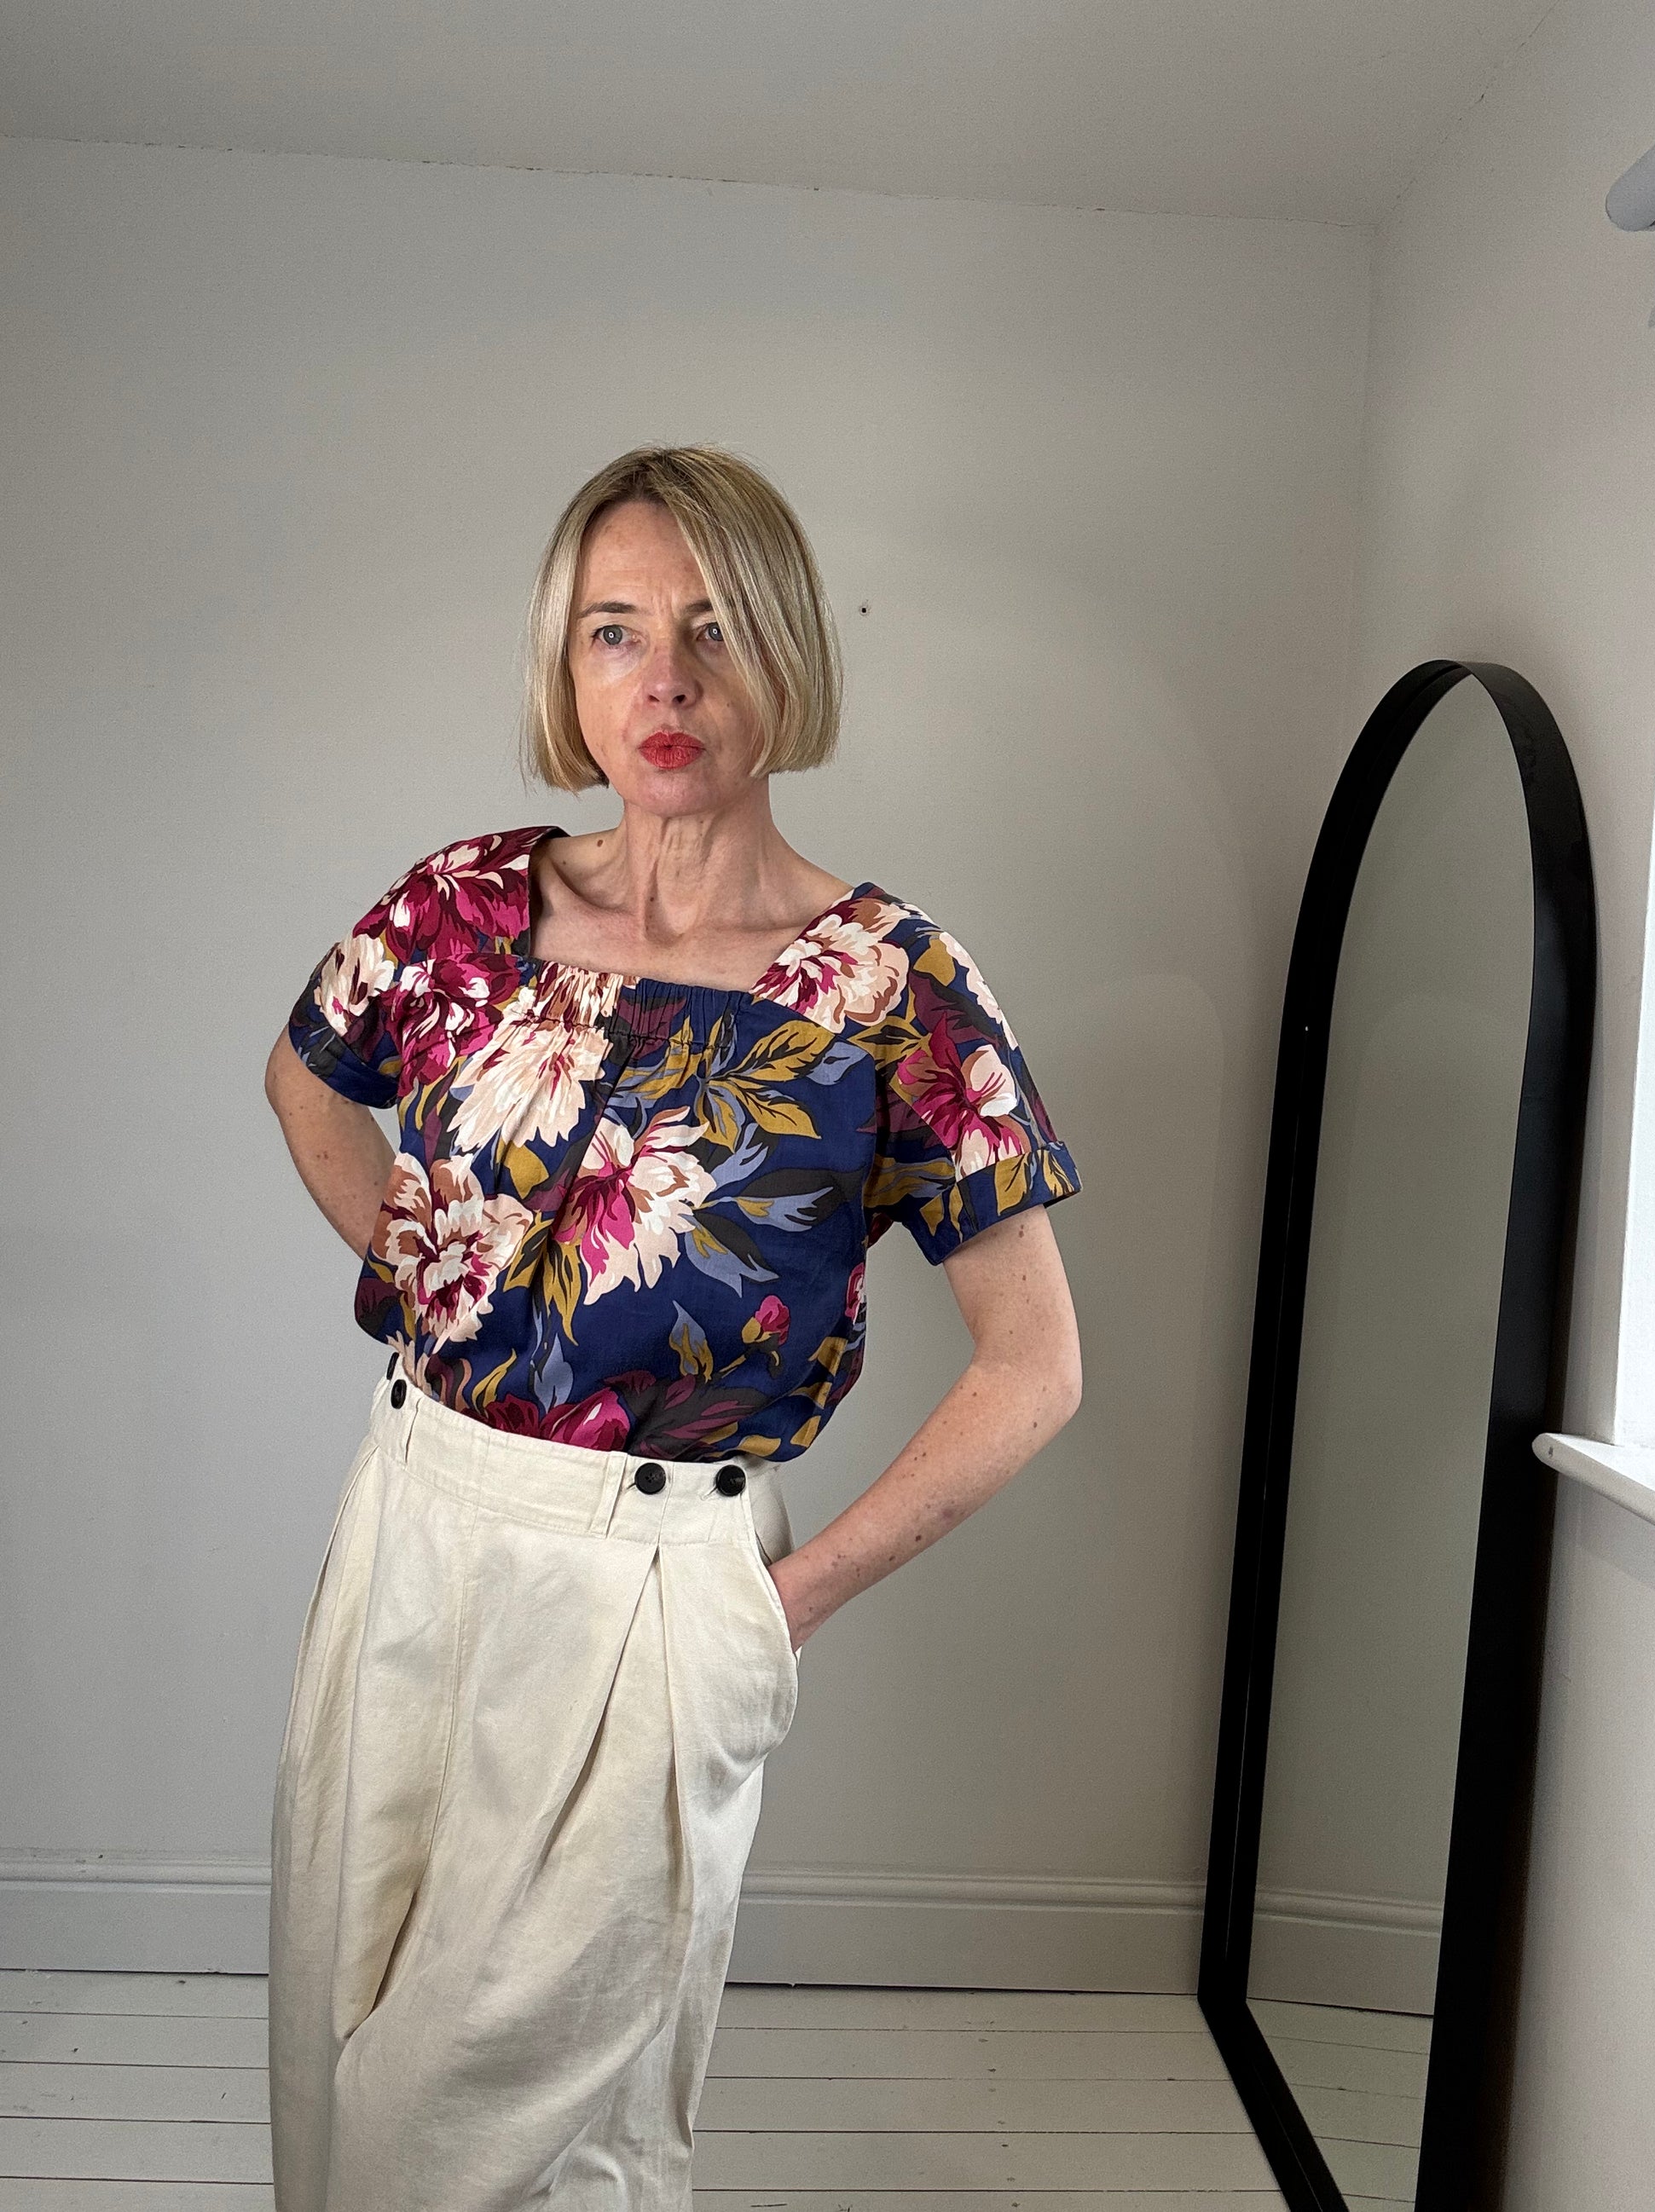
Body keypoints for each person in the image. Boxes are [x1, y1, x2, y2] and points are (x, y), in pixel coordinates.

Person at [263, 443, 1084, 2212]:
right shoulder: (463, 909)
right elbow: (307, 1079)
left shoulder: (895, 991)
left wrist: (780, 1607)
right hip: (410, 1524)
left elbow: (1035, 1365)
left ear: (786, 648)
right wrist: (441, 1266)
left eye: (713, 627)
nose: (666, 681)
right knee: (338, 2075)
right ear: (564, 667)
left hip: (651, 1580)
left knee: (490, 2132)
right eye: (614, 631)